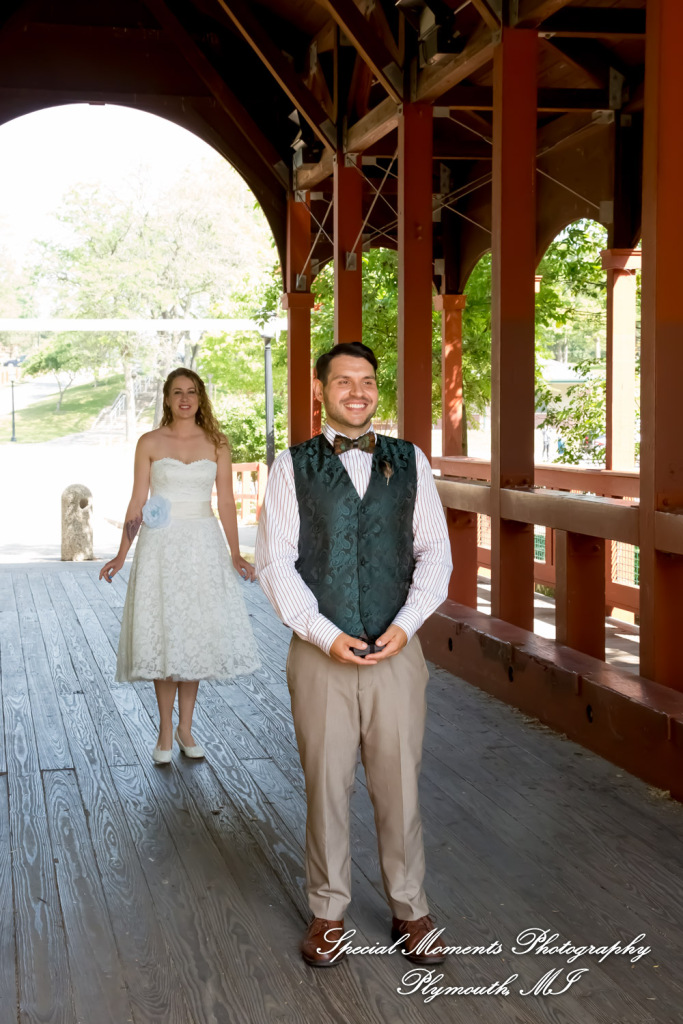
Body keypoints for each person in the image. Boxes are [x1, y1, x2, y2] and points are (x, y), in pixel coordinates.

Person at [255, 342, 452, 968]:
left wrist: (407, 625)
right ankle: (329, 911)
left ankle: (409, 907)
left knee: (399, 784)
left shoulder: (411, 461)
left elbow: (436, 556)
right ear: (321, 391)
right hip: (321, 653)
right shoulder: (292, 467)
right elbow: (274, 563)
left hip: (398, 649)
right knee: (327, 785)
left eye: (367, 380)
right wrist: (321, 632)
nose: (358, 392)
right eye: (343, 381)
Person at [100, 367, 260, 763]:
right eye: (176, 392)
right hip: (161, 547)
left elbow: (225, 502)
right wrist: (122, 553)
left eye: (191, 392)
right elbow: (138, 500)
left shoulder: (217, 442)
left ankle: (186, 727)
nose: (184, 399)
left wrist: (236, 553)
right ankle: (164, 731)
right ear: (168, 399)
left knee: (193, 635)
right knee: (164, 631)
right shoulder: (150, 442)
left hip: (203, 545)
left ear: (200, 397)